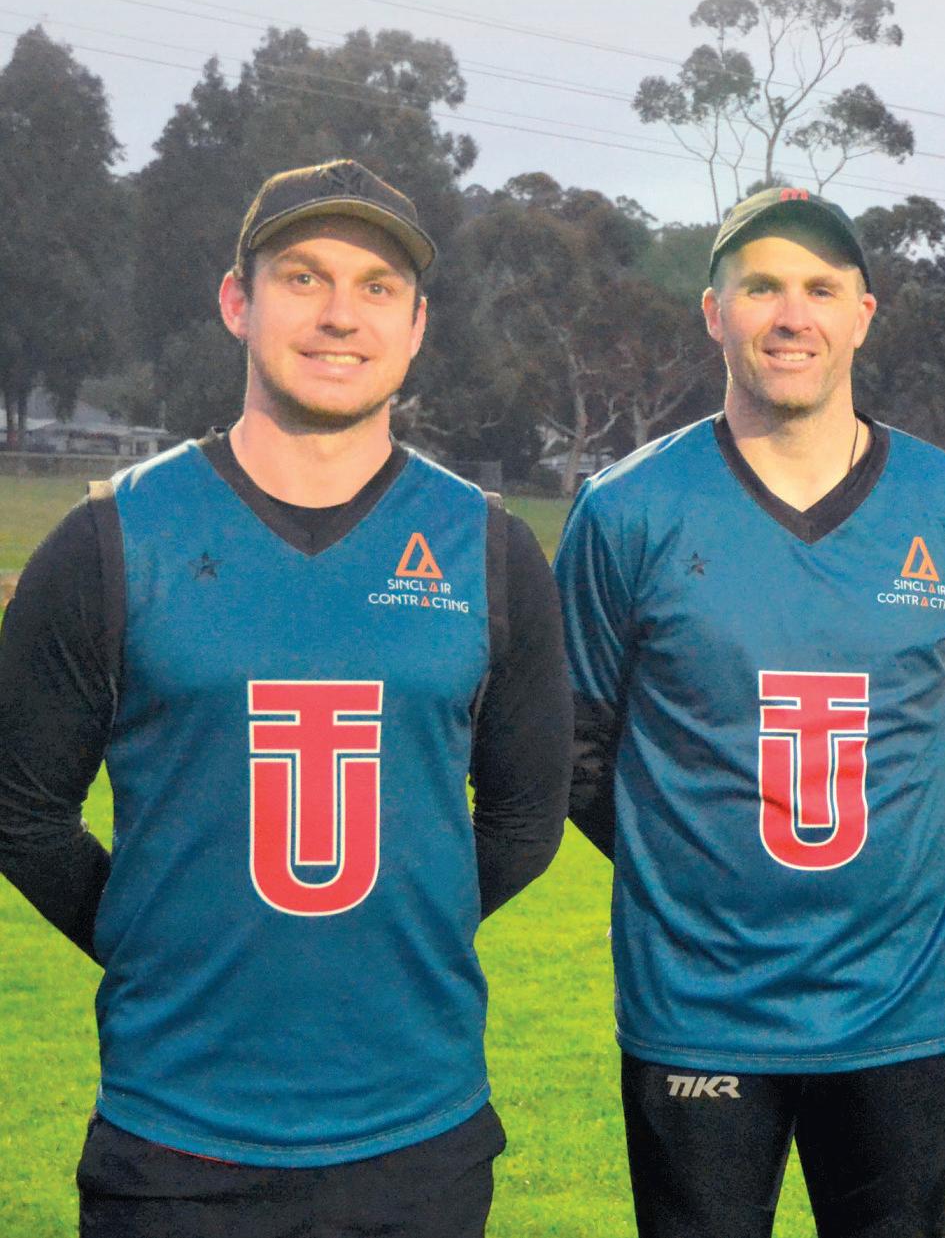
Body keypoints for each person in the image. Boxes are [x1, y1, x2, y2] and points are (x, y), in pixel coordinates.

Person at [0, 158, 571, 1237]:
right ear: (238, 300)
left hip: (419, 1137)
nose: (340, 314)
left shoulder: (490, 550)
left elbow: (525, 819)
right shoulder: (113, 537)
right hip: (174, 1143)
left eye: (376, 286)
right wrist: (155, 938)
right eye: (303, 276)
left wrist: (397, 935)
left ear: (415, 325)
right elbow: (21, 808)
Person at [557, 184, 945, 1238]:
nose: (791, 315)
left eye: (820, 288)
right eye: (761, 286)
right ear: (713, 311)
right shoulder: (625, 510)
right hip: (700, 1004)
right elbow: (574, 755)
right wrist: (694, 871)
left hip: (901, 1004)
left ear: (863, 312)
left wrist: (886, 876)